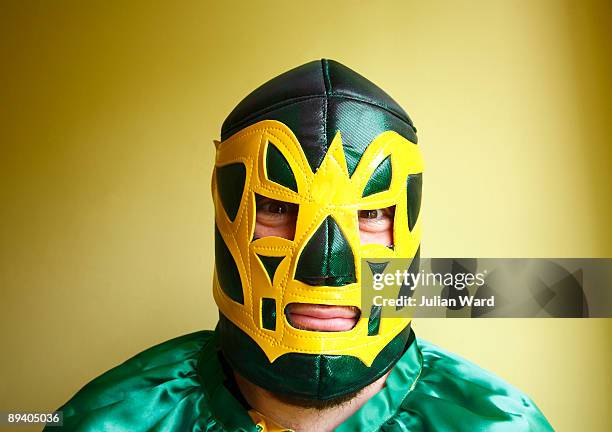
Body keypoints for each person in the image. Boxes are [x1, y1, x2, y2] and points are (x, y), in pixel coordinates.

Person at [48, 59, 553, 431]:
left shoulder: (501, 422)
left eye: (372, 213)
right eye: (275, 207)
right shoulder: (106, 420)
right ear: (224, 213)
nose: (325, 266)